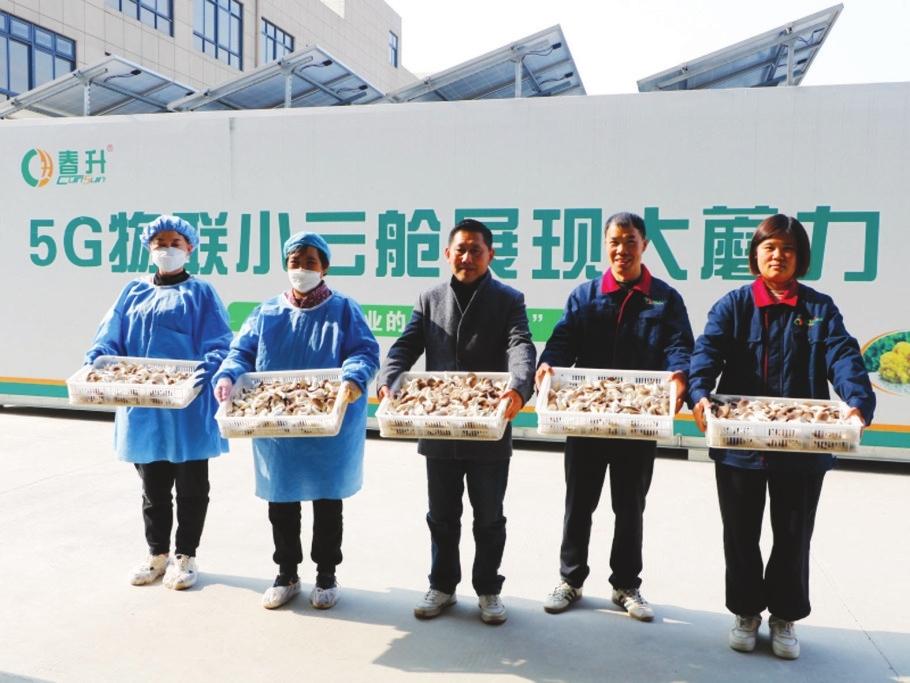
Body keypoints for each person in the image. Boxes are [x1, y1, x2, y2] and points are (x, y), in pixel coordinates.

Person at [688, 214, 875, 659]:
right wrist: (699, 394)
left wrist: (856, 401)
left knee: (793, 535)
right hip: (740, 445)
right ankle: (746, 611)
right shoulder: (734, 305)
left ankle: (785, 616)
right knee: (740, 532)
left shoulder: (819, 309)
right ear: (755, 254)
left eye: (788, 249)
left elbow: (843, 356)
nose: (778, 256)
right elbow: (707, 351)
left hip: (802, 447)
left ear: (800, 257)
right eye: (769, 247)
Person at [377, 218, 536, 625]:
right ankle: (442, 586)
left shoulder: (508, 299)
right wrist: (388, 380)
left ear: (490, 255)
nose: (467, 258)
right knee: (442, 516)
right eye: (460, 250)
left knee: (489, 518)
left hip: (488, 428)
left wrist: (519, 388)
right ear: (448, 254)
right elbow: (405, 346)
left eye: (475, 250)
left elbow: (520, 345)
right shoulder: (430, 298)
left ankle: (488, 589)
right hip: (439, 427)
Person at [536, 211, 694, 621]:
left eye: (630, 241)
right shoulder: (586, 295)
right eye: (614, 241)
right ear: (605, 245)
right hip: (586, 418)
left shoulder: (664, 298)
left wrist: (680, 375)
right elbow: (563, 339)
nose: (621, 249)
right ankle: (570, 580)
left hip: (637, 422)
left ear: (645, 245)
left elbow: (679, 347)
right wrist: (548, 364)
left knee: (630, 506)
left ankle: (626, 584)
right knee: (579, 503)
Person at [214, 231, 379, 611]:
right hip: (276, 423)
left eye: (310, 263)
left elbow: (364, 352)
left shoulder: (344, 310)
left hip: (328, 423)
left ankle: (326, 573)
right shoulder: (267, 313)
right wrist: (227, 376)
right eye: (295, 263)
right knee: (281, 500)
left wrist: (353, 379)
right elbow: (242, 352)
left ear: (325, 267)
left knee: (327, 501)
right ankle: (286, 572)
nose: (302, 269)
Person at [84, 214, 233, 591]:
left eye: (175, 243)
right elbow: (111, 334)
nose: (167, 249)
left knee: (192, 486)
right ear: (148, 248)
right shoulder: (133, 291)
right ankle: (157, 554)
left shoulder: (201, 293)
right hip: (144, 405)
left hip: (188, 406)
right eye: (160, 243)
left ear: (189, 248)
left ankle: (185, 555)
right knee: (153, 488)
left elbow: (220, 342)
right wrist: (99, 356)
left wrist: (205, 370)